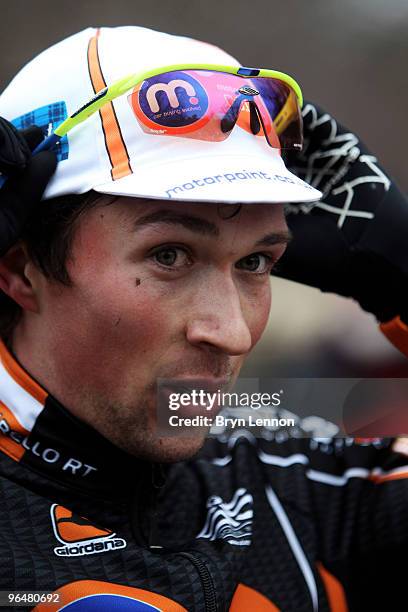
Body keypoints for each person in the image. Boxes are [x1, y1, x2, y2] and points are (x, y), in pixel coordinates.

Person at [0, 25, 407, 612]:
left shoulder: (299, 489)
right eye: (170, 256)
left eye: (255, 262)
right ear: (20, 269)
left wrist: (400, 265)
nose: (232, 333)